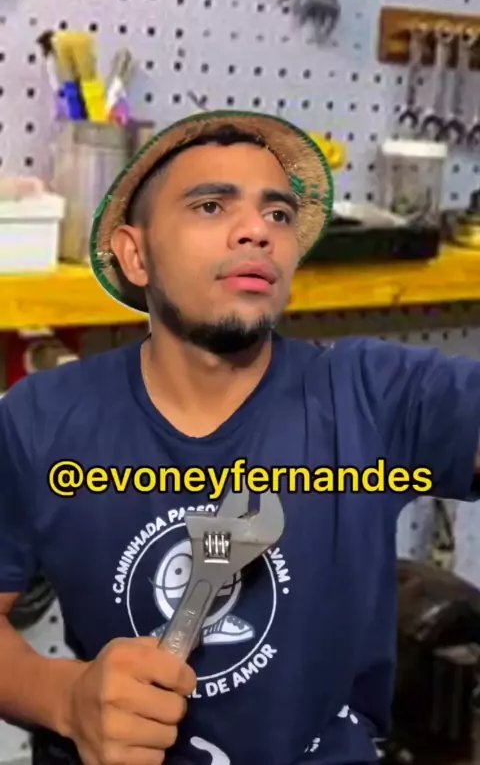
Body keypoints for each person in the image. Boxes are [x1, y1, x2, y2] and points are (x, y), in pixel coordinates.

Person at [0, 109, 479, 765]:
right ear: (136, 255)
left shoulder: (373, 395)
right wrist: (65, 697)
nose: (258, 230)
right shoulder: (42, 420)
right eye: (210, 205)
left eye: (278, 214)